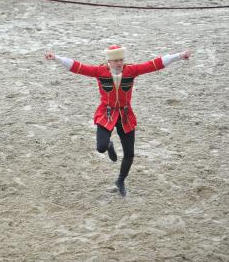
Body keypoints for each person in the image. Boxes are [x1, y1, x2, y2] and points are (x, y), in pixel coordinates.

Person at [45, 45, 191, 196]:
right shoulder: (99, 71)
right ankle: (109, 144)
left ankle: (120, 180)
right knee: (101, 147)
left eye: (121, 59)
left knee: (129, 154)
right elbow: (78, 67)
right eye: (115, 60)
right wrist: (56, 58)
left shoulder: (131, 70)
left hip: (126, 115)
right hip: (106, 113)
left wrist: (180, 55)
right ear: (109, 61)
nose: (119, 63)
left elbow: (155, 64)